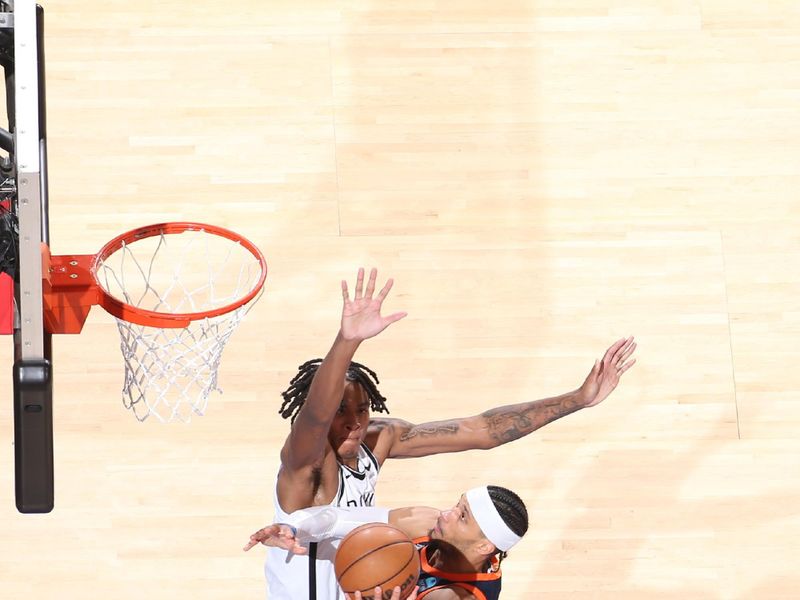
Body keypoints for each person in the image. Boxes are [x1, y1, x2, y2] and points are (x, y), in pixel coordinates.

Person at [266, 267, 636, 599]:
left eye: (361, 409)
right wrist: (347, 342)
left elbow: (482, 429)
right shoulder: (305, 465)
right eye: (339, 411)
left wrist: (578, 399)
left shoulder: (379, 440)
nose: (353, 421)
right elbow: (314, 419)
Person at [248, 484, 528, 600]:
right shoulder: (430, 524)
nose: (446, 514)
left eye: (462, 516)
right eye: (457, 505)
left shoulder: (456, 596)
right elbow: (337, 520)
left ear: (484, 546)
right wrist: (294, 527)